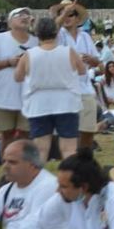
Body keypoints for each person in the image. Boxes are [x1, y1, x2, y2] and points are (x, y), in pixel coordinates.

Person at [15, 17, 86, 161]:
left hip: (39, 105)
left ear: (37, 34)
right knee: (69, 149)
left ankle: (38, 181)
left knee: (40, 149)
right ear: (56, 32)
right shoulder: (69, 52)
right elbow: (82, 70)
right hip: (66, 103)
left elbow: (18, 77)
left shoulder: (28, 55)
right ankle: (72, 180)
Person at [0, 7, 38, 153]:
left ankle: (23, 170)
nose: (24, 17)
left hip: (28, 97)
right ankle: (8, 172)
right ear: (9, 22)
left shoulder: (36, 41)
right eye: (19, 15)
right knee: (6, 135)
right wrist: (8, 62)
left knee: (26, 134)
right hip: (4, 96)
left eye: (27, 14)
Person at [53, 0, 100, 150]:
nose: (66, 17)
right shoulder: (56, 34)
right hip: (64, 87)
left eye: (71, 14)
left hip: (85, 87)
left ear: (78, 19)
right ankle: (71, 160)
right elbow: (52, 27)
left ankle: (84, 158)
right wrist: (66, 11)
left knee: (88, 129)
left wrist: (91, 59)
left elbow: (97, 61)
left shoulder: (85, 36)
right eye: (62, 13)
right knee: (69, 131)